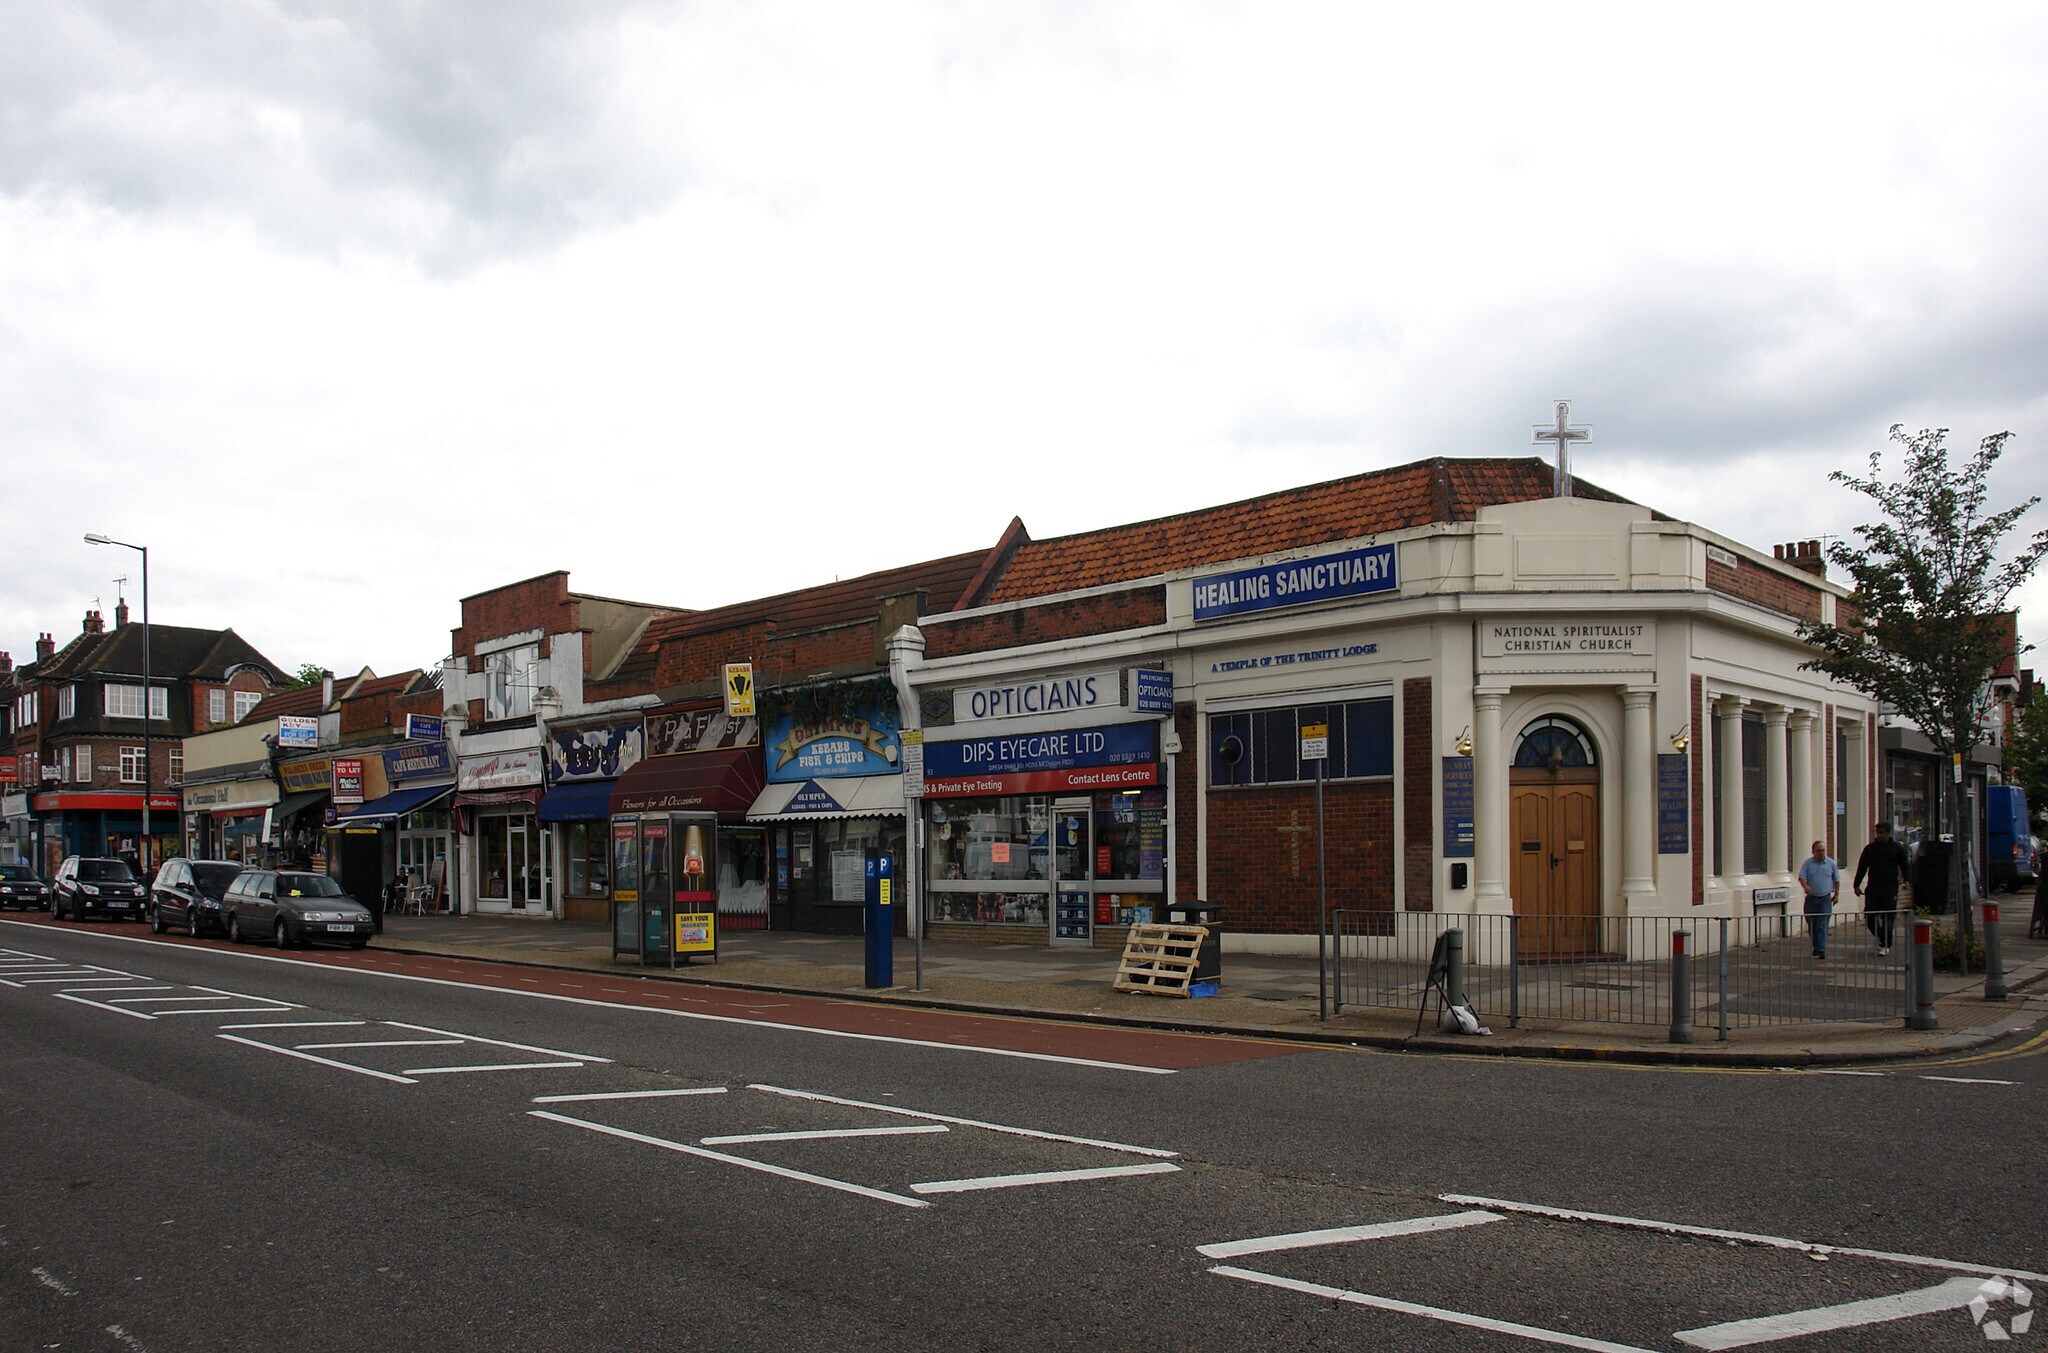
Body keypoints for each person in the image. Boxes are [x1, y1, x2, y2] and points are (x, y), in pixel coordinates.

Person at [1852, 821, 1911, 955]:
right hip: (1873, 886)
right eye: (1877, 833)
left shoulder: (1897, 848)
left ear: (1888, 833)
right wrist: (1856, 884)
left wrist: (1906, 880)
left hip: (1890, 887)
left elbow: (1905, 865)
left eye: (1881, 833)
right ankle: (1880, 935)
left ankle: (1886, 944)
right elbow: (1862, 867)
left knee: (1887, 917)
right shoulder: (1870, 849)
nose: (1879, 836)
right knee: (1870, 916)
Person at [1797, 839, 1841, 959]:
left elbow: (1836, 880)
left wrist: (1836, 894)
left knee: (1821, 924)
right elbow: (1801, 877)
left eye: (1823, 850)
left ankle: (1821, 949)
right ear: (1813, 851)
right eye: (1819, 851)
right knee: (1812, 924)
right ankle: (1817, 947)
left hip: (1825, 898)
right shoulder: (1808, 863)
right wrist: (1805, 886)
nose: (1821, 853)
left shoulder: (1831, 863)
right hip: (1811, 899)